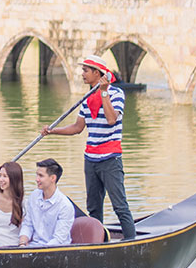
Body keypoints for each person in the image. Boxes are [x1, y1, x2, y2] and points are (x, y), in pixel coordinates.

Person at [42, 54, 135, 241]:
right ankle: (96, 244)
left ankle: (132, 242)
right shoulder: (86, 99)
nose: (82, 74)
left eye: (85, 70)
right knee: (93, 207)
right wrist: (53, 131)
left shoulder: (116, 94)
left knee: (120, 206)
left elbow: (111, 119)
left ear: (97, 73)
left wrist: (104, 92)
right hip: (90, 159)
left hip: (110, 158)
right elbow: (77, 127)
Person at [19, 159, 75, 247]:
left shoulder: (65, 206)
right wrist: (22, 242)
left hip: (56, 251)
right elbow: (28, 224)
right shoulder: (33, 196)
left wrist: (39, 252)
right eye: (37, 175)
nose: (36, 179)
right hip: (33, 246)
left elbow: (59, 239)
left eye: (41, 176)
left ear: (53, 178)